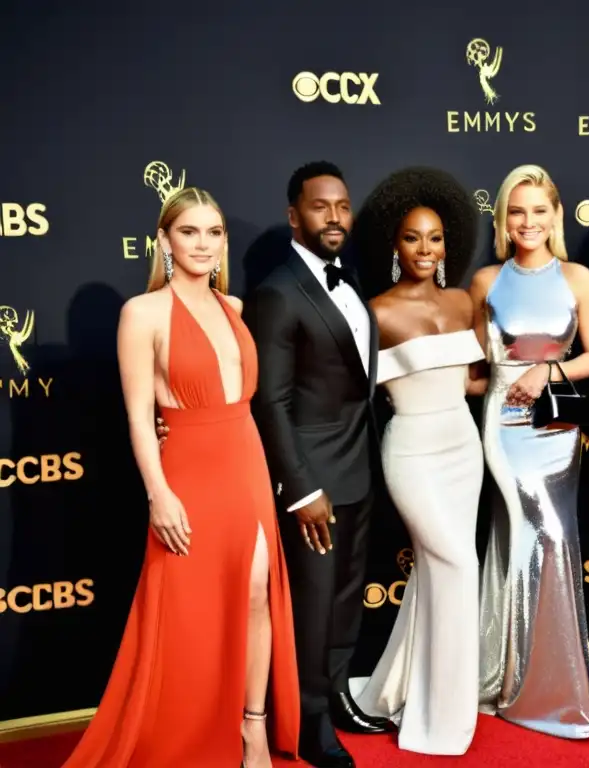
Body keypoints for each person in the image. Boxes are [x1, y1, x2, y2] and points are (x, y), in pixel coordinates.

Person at [63, 188, 300, 768]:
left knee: (255, 596)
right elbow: (140, 417)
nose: (202, 243)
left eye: (213, 232)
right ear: (165, 241)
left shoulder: (235, 308)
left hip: (244, 459)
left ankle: (253, 730)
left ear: (223, 242)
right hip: (188, 471)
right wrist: (158, 493)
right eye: (188, 232)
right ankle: (188, 733)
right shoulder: (141, 314)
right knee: (192, 610)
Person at [242, 162, 393, 768]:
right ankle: (307, 725)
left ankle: (336, 695)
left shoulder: (350, 281)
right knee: (311, 605)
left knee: (346, 599)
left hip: (360, 466)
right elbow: (270, 401)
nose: (334, 217)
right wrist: (300, 489)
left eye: (342, 206)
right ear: (293, 215)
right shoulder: (278, 292)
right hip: (313, 482)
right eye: (320, 206)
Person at [350, 167, 487, 755]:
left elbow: (475, 381)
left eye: (434, 238)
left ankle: (396, 689)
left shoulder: (464, 301)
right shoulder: (373, 312)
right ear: (394, 244)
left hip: (464, 446)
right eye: (412, 238)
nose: (425, 250)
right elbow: (346, 391)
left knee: (439, 574)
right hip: (410, 449)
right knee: (457, 565)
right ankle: (442, 718)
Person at [471, 164, 589, 740]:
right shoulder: (484, 281)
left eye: (539, 211)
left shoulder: (577, 277)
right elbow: (478, 369)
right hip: (502, 419)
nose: (528, 221)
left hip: (556, 417)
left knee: (554, 534)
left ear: (555, 215)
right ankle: (519, 681)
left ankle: (532, 679)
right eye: (517, 212)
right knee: (528, 533)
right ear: (503, 219)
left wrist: (548, 371)